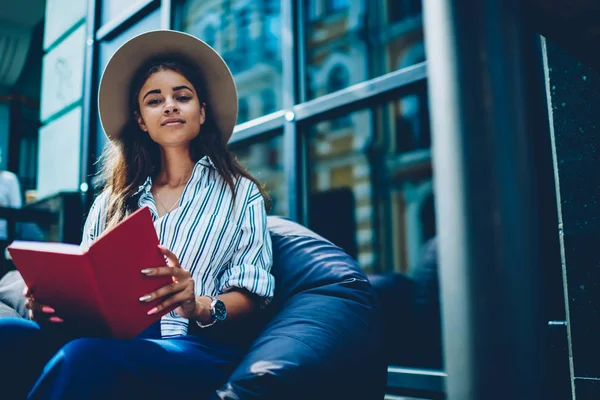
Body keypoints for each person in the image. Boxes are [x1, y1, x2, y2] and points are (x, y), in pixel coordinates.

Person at [0, 30, 275, 400]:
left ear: (202, 111)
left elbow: (252, 293)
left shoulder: (240, 193)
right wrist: (47, 305)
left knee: (86, 357)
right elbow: (87, 284)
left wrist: (198, 304)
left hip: (195, 346)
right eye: (154, 100)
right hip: (107, 337)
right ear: (141, 120)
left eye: (183, 97)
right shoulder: (112, 200)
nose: (170, 106)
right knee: (8, 335)